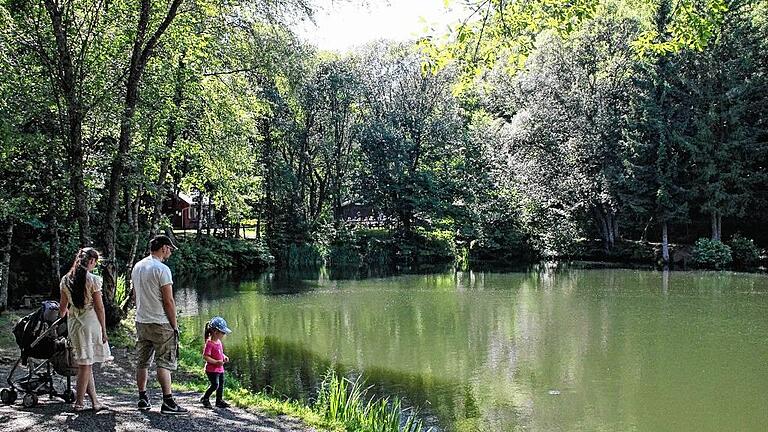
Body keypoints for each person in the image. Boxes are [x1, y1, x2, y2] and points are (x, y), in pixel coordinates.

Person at [131, 234, 187, 415]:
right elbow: (168, 300)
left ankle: (142, 398)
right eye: (170, 248)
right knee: (164, 361)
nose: (170, 252)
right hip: (161, 322)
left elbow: (135, 295)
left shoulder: (138, 266)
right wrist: (174, 324)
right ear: (163, 248)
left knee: (142, 361)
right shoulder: (162, 269)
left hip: (142, 321)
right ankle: (168, 402)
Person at [58, 247, 112, 412]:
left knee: (85, 362)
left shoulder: (66, 280)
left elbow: (62, 310)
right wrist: (103, 329)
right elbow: (100, 308)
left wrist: (70, 314)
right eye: (95, 262)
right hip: (90, 323)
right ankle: (80, 402)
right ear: (91, 261)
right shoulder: (93, 280)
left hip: (75, 324)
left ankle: (95, 401)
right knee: (85, 365)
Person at [200, 316, 232, 409]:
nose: (224, 334)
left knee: (221, 385)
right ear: (215, 332)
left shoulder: (218, 342)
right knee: (215, 385)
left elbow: (220, 352)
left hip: (220, 369)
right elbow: (205, 356)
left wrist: (224, 357)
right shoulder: (209, 343)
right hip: (211, 370)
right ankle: (205, 398)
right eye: (223, 332)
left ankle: (219, 401)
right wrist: (216, 362)